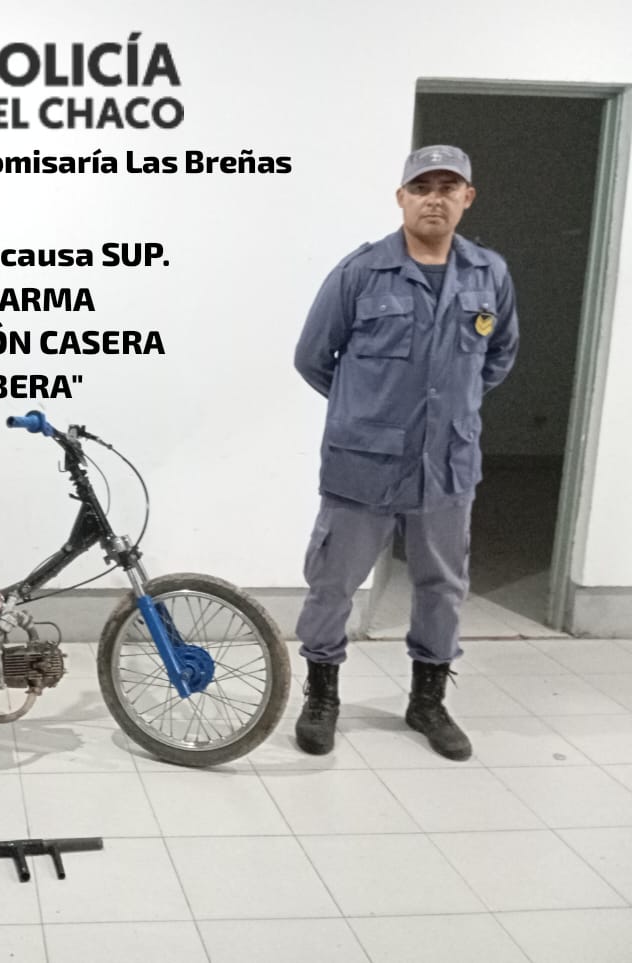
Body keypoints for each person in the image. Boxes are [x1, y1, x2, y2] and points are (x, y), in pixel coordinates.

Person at [292, 144, 519, 761]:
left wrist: (447, 411)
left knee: (442, 586)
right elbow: (313, 358)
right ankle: (321, 697)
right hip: (362, 463)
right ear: (401, 197)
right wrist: (367, 411)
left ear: (467, 198)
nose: (434, 199)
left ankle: (427, 702)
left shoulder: (489, 275)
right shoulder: (361, 272)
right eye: (422, 187)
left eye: (448, 188)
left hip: (447, 465)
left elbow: (499, 355)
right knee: (333, 583)